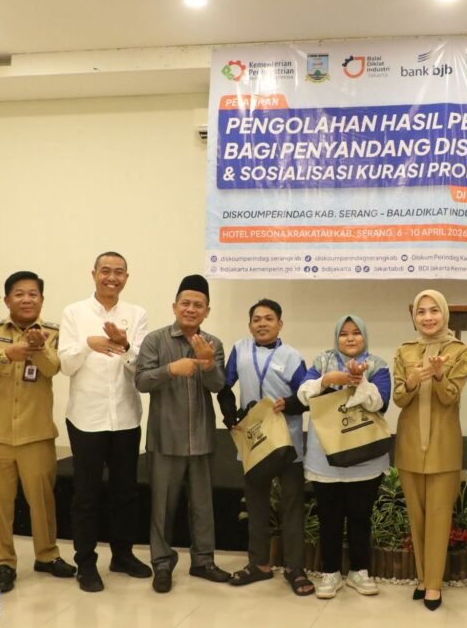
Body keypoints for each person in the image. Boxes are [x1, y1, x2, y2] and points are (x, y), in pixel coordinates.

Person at [0, 271, 76, 593]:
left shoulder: (52, 333)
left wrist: (37, 349)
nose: (27, 299)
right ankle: (3, 563)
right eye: (19, 294)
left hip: (36, 434)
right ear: (7, 299)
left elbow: (52, 368)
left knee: (42, 501)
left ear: (41, 299)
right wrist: (6, 354)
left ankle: (47, 555)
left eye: (33, 294)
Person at [59, 251, 151, 592]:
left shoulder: (137, 314)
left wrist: (125, 345)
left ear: (127, 277)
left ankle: (122, 555)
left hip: (125, 416)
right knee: (86, 495)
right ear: (94, 274)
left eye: (119, 272)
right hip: (86, 417)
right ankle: (85, 563)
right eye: (105, 271)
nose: (112, 277)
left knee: (125, 493)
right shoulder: (74, 312)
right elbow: (66, 365)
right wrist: (89, 344)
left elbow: (141, 366)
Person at [134, 274, 229, 593]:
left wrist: (207, 364)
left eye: (198, 305)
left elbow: (218, 386)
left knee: (203, 507)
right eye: (185, 303)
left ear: (207, 311)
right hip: (165, 438)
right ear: (174, 306)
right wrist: (170, 370)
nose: (191, 309)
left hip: (201, 438)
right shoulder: (155, 340)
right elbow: (141, 381)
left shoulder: (213, 344)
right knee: (162, 508)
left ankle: (203, 561)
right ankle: (162, 563)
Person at [217, 298, 313, 596]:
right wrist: (230, 416)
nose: (262, 324)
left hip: (288, 442)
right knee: (256, 504)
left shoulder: (292, 356)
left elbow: (307, 397)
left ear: (280, 324)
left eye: (269, 318)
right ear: (249, 325)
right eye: (256, 319)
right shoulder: (240, 350)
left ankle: (295, 568)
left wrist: (290, 403)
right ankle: (259, 564)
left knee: (292, 506)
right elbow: (223, 386)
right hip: (254, 441)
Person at [296, 315, 391, 600]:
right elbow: (303, 395)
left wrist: (360, 381)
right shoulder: (322, 361)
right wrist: (327, 379)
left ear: (365, 337)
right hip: (325, 457)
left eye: (356, 333)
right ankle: (331, 572)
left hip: (366, 457)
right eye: (344, 333)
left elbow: (381, 402)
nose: (350, 338)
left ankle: (359, 571)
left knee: (361, 517)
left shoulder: (377, 365)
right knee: (330, 518)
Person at [392, 290, 467, 611]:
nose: (428, 317)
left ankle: (435, 585)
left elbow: (450, 396)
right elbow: (399, 398)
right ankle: (423, 578)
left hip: (443, 445)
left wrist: (438, 375)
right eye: (421, 312)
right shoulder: (404, 350)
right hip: (409, 444)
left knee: (439, 518)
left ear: (445, 314)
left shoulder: (459, 350)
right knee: (417, 517)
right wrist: (412, 381)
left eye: (434, 310)